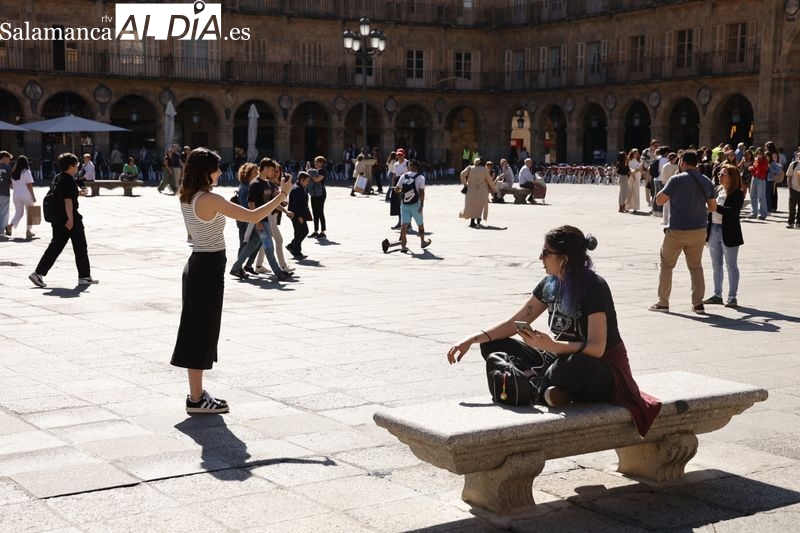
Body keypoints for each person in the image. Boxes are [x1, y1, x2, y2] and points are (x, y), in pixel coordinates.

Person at [446, 225, 661, 436]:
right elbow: (514, 323)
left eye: (546, 252)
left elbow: (597, 348)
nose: (540, 257)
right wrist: (471, 339)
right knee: (492, 345)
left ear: (564, 259)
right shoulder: (549, 283)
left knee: (571, 365)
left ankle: (532, 386)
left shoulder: (594, 287)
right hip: (555, 357)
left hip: (601, 369)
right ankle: (545, 389)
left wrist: (550, 345)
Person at [171, 147, 292, 414]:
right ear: (206, 172)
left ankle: (197, 394)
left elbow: (191, 234)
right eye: (216, 168)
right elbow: (251, 216)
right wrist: (283, 194)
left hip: (197, 264)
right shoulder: (209, 198)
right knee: (202, 332)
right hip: (207, 268)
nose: (220, 172)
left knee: (197, 330)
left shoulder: (186, 196)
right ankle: (195, 399)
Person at [649, 150, 716, 313]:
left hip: (677, 230)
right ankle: (698, 303)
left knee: (667, 266)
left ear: (682, 163)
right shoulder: (706, 181)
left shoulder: (676, 179)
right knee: (695, 267)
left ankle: (663, 303)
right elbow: (713, 207)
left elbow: (660, 199)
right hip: (699, 230)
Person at [28, 153, 99, 288]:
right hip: (69, 219)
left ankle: (38, 273)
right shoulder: (69, 180)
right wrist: (71, 220)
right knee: (80, 246)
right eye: (76, 165)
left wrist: (78, 193)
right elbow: (68, 202)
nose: (78, 167)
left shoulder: (58, 178)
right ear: (71, 166)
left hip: (57, 218)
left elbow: (63, 195)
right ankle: (84, 276)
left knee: (55, 246)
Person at [229, 160, 292, 281]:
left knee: (252, 245)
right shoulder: (255, 183)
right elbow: (251, 203)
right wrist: (257, 221)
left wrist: (285, 211)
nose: (274, 172)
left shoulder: (267, 184)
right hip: (261, 222)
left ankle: (236, 268)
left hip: (265, 221)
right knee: (269, 247)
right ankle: (279, 273)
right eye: (272, 170)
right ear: (266, 168)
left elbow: (271, 203)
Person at [704, 163, 744, 308]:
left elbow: (733, 212)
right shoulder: (717, 190)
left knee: (731, 265)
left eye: (723, 174)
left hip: (729, 231)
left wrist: (715, 207)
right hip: (714, 229)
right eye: (719, 174)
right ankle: (717, 294)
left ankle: (732, 296)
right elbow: (709, 212)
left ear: (732, 177)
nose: (719, 176)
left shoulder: (738, 193)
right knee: (716, 265)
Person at [394, 160, 431, 252]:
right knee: (420, 225)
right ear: (417, 168)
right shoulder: (421, 178)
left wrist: (399, 190)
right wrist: (422, 205)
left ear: (409, 167)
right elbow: (422, 192)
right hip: (416, 205)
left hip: (405, 204)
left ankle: (403, 246)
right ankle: (422, 242)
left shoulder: (403, 176)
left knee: (404, 226)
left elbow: (397, 189)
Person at [460, 157, 495, 228]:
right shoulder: (484, 169)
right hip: (482, 191)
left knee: (472, 206)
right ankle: (478, 220)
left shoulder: (470, 168)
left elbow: (462, 174)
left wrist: (465, 184)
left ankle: (472, 221)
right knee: (479, 206)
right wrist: (494, 188)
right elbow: (489, 180)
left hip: (471, 190)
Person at [7, 155, 36, 239]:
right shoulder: (26, 172)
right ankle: (28, 231)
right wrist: (33, 196)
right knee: (30, 212)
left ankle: (10, 225)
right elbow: (29, 185)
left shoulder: (14, 173)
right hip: (26, 194)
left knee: (19, 213)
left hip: (16, 194)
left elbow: (11, 185)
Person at [287, 171, 312, 260]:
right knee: (299, 232)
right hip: (296, 215)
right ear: (302, 180)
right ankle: (296, 252)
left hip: (301, 214)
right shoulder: (296, 189)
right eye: (307, 181)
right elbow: (295, 205)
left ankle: (292, 246)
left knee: (304, 231)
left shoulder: (303, 188)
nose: (308, 183)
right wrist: (299, 216)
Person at [307, 156, 327, 239]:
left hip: (321, 193)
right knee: (314, 212)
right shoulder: (315, 171)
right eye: (315, 162)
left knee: (320, 212)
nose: (315, 163)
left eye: (317, 162)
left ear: (321, 163)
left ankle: (322, 231)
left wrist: (310, 173)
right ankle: (315, 231)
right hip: (314, 193)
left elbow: (316, 180)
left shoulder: (322, 171)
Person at [748, 147, 769, 220]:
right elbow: (755, 169)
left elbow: (763, 169)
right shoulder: (756, 160)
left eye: (761, 153)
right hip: (754, 177)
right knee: (752, 195)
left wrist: (756, 164)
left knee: (761, 196)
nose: (759, 154)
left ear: (763, 154)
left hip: (761, 179)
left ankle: (762, 214)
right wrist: (752, 169)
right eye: (758, 153)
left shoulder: (765, 161)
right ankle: (753, 212)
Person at [787, 152, 800, 229]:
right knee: (792, 207)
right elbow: (789, 176)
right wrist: (790, 187)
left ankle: (798, 222)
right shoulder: (793, 164)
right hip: (794, 188)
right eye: (798, 156)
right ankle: (790, 222)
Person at [0, 151, 11, 236]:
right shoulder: (7, 168)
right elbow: (10, 182)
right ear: (3, 158)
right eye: (8, 159)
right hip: (4, 193)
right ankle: (1, 231)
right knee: (4, 211)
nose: (9, 161)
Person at [627, 149, 642, 213]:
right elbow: (627, 168)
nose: (636, 154)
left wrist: (638, 170)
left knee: (636, 192)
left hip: (637, 176)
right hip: (630, 176)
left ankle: (635, 207)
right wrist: (632, 171)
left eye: (637, 153)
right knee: (629, 191)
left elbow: (640, 169)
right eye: (634, 153)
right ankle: (627, 207)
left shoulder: (639, 160)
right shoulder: (628, 160)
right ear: (632, 153)